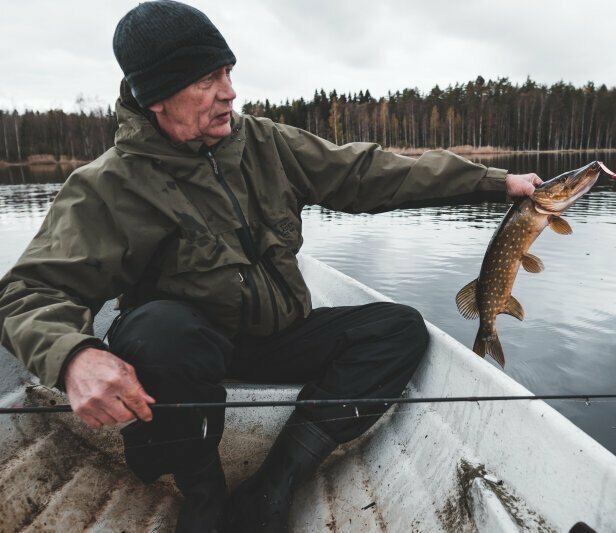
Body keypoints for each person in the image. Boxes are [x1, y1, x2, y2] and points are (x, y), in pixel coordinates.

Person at [0, 1, 543, 531]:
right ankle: (204, 493)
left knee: (397, 330)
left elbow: (368, 173)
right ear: (157, 96)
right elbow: (27, 293)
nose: (229, 92)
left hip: (277, 337)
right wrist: (74, 356)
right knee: (160, 330)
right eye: (207, 79)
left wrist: (494, 183)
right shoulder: (107, 185)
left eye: (228, 72)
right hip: (187, 357)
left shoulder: (264, 142)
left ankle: (275, 483)